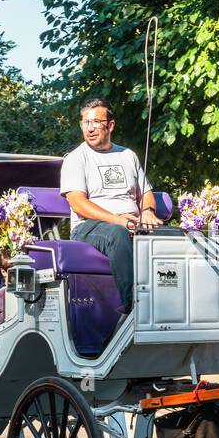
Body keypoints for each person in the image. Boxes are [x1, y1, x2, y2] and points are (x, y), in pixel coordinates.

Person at [59, 98, 163, 314]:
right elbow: (79, 204)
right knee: (117, 233)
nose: (90, 128)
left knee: (174, 238)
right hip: (89, 227)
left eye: (96, 122)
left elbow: (146, 194)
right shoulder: (76, 159)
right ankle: (135, 308)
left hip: (130, 224)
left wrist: (148, 211)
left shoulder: (127, 155)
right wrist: (121, 220)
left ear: (110, 125)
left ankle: (178, 302)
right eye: (85, 123)